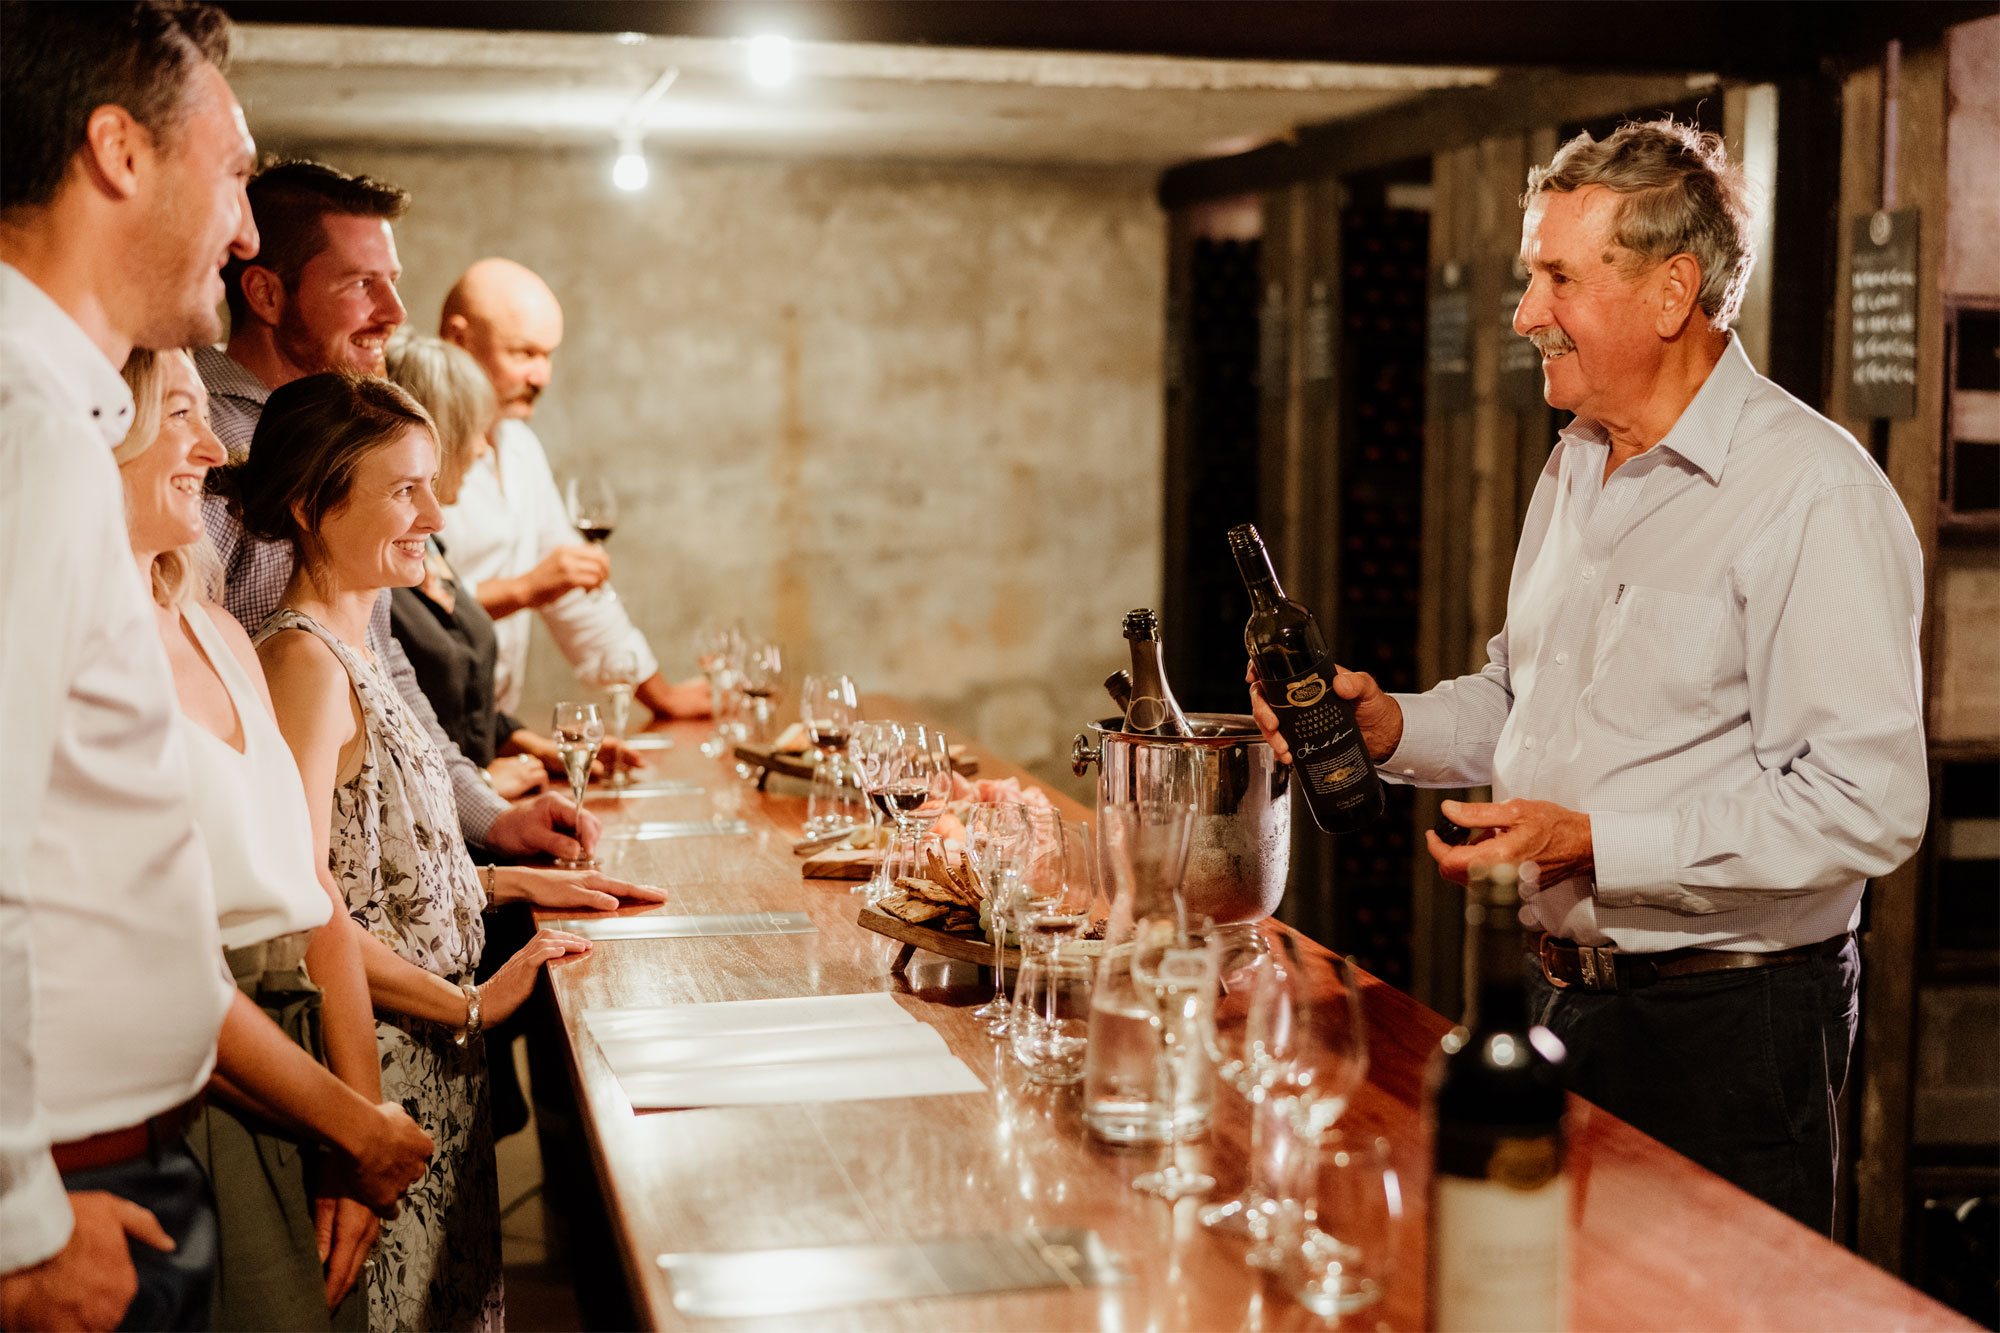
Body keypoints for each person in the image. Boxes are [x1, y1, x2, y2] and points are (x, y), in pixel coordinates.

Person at [1250, 120, 1926, 1234]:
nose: (1522, 315)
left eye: (1555, 276)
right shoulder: (1574, 462)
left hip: (1725, 1027)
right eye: (1530, 276)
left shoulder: (1811, 496)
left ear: (1671, 292)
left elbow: (1864, 804)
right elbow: (1527, 703)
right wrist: (1387, 728)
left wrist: (1595, 841)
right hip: (1557, 996)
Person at [237, 370, 660, 1331]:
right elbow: (313, 910)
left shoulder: (353, 648)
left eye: (433, 482)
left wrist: (524, 879)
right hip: (382, 1068)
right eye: (404, 490)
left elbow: (386, 868)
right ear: (311, 506)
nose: (436, 511)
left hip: (439, 1068)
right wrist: (475, 998)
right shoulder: (302, 661)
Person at [0, 5, 256, 1327]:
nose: (248, 229)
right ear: (119, 151)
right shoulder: (24, 427)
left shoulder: (47, 411)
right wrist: (15, 1231)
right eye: (235, 173)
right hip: (69, 1185)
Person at [115, 347, 436, 1329]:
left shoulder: (216, 631)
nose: (213, 446)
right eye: (178, 413)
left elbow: (316, 896)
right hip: (208, 1073)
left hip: (306, 1047)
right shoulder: (86, 650)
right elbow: (147, 963)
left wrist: (359, 1125)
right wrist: (346, 1119)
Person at [197, 158, 596, 868]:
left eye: (393, 281)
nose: (396, 312)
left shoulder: (349, 431)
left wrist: (492, 820)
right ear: (264, 291)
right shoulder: (202, 440)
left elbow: (387, 675)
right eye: (360, 283)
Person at [437, 257, 709, 720]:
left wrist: (665, 698)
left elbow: (574, 596)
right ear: (458, 339)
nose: (541, 376)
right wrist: (525, 588)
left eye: (547, 355)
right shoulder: (404, 446)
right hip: (420, 736)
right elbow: (399, 606)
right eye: (523, 353)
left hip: (490, 730)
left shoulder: (520, 446)